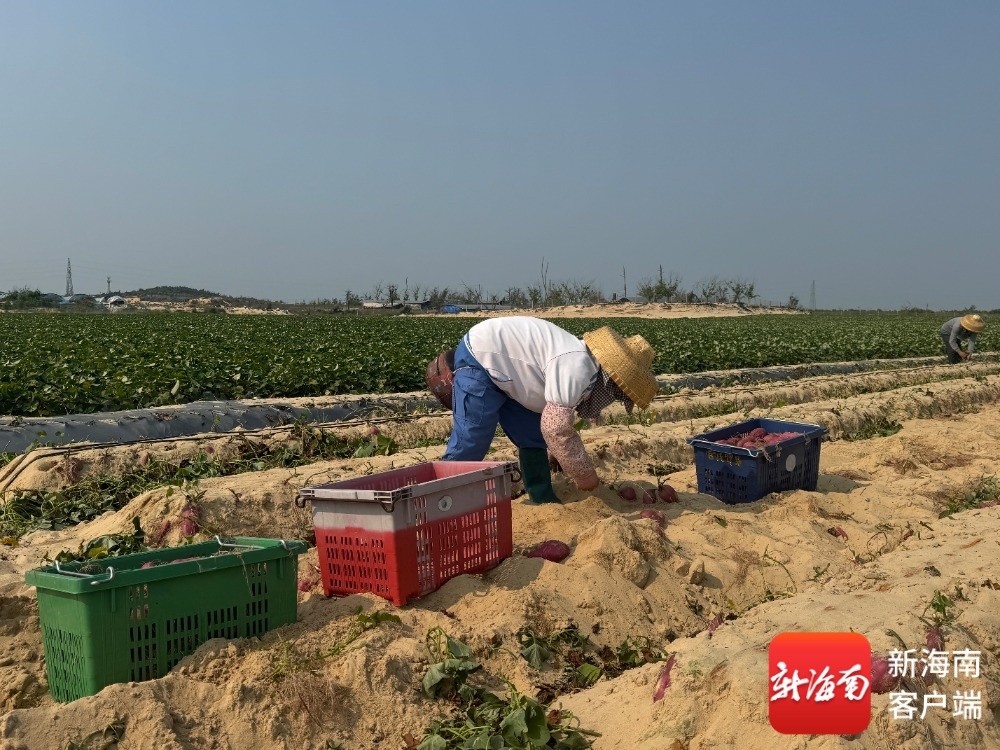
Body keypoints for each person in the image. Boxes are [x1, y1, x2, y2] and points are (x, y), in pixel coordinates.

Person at [425, 316, 658, 504]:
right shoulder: (577, 366)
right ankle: (442, 500)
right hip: (481, 356)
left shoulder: (586, 369)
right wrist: (586, 476)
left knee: (532, 436)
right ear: (614, 380)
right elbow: (556, 427)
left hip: (514, 374)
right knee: (473, 438)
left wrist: (562, 454)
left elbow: (552, 421)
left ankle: (542, 497)